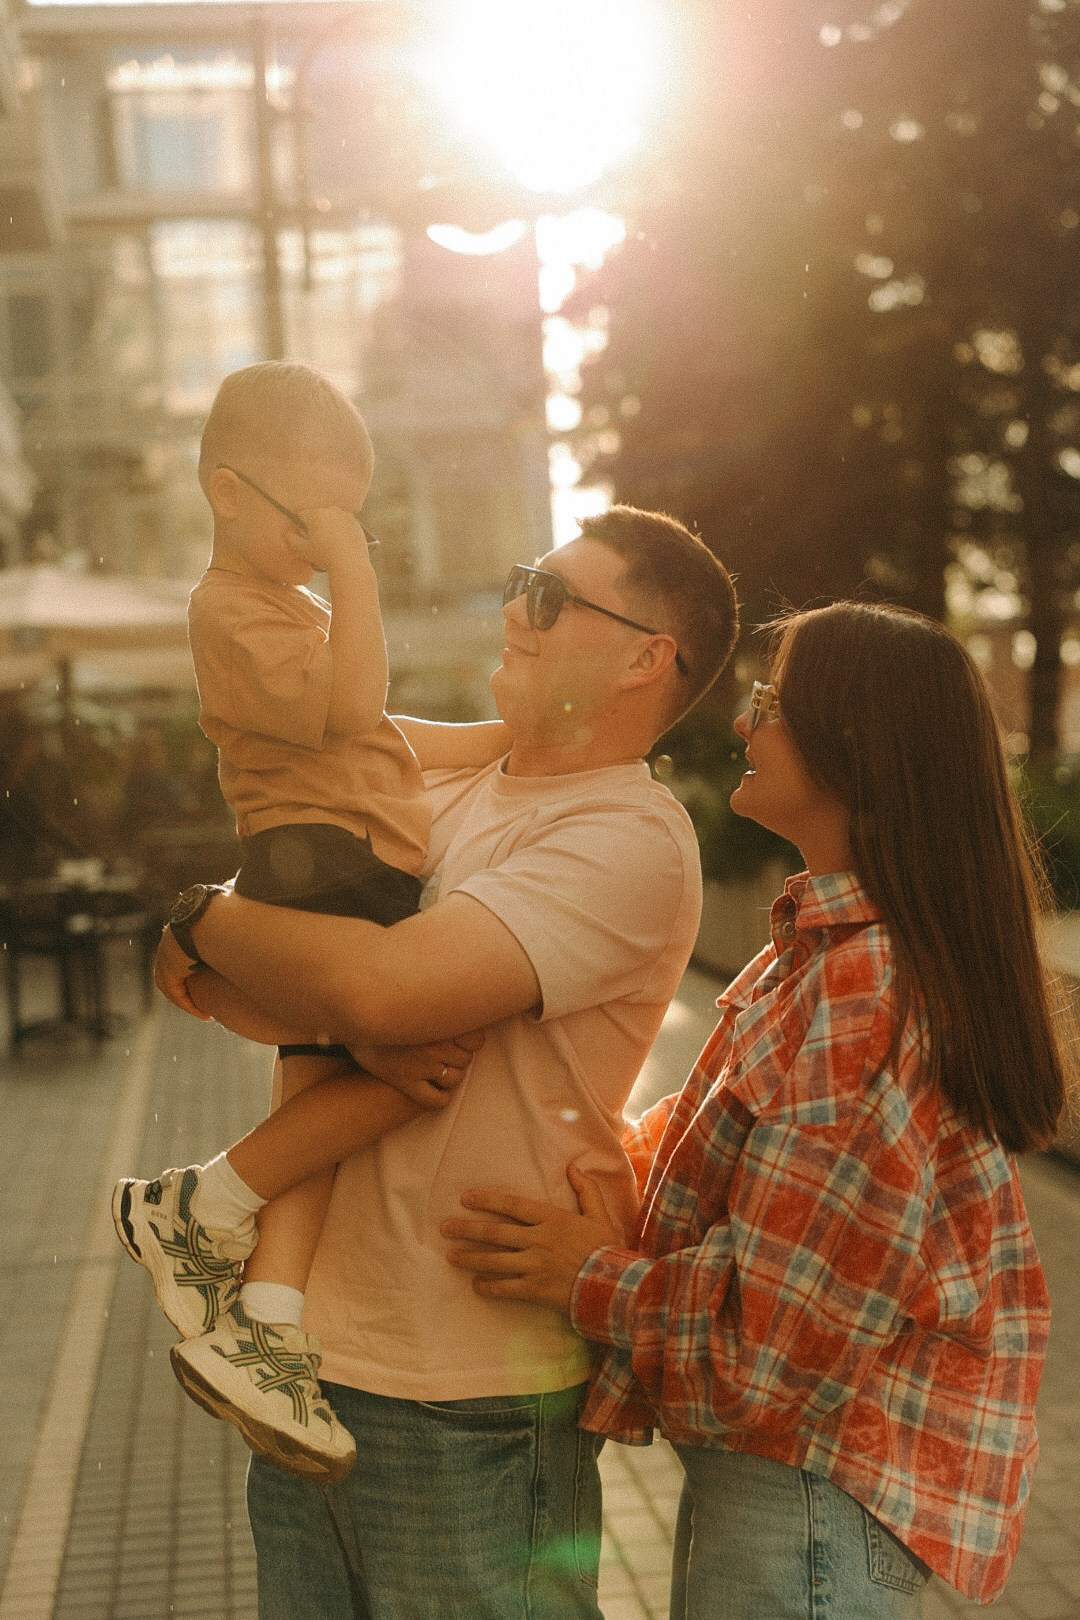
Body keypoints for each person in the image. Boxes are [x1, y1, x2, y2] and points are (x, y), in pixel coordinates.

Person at [151, 501, 739, 1618]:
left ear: (645, 659)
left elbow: (364, 986)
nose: (516, 608)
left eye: (553, 596)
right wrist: (232, 950)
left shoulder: (626, 837)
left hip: (468, 1398)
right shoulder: (437, 782)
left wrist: (194, 919)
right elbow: (232, 995)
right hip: (302, 1373)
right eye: (527, 578)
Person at [444, 601, 1075, 1619]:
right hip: (793, 1500)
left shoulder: (864, 989)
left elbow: (775, 1348)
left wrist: (585, 1277)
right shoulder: (826, 951)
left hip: (807, 1510)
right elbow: (733, 1183)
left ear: (853, 741)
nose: (744, 721)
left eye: (773, 700)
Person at [114, 362, 508, 1480]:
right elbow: (349, 708)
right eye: (314, 516)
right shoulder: (231, 608)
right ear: (229, 494)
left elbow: (376, 731)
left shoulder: (290, 607)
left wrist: (501, 743)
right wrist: (355, 573)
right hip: (316, 864)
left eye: (352, 516)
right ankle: (194, 1203)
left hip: (350, 867)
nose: (335, 537)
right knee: (412, 1067)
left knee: (335, 1092)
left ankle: (267, 1324)